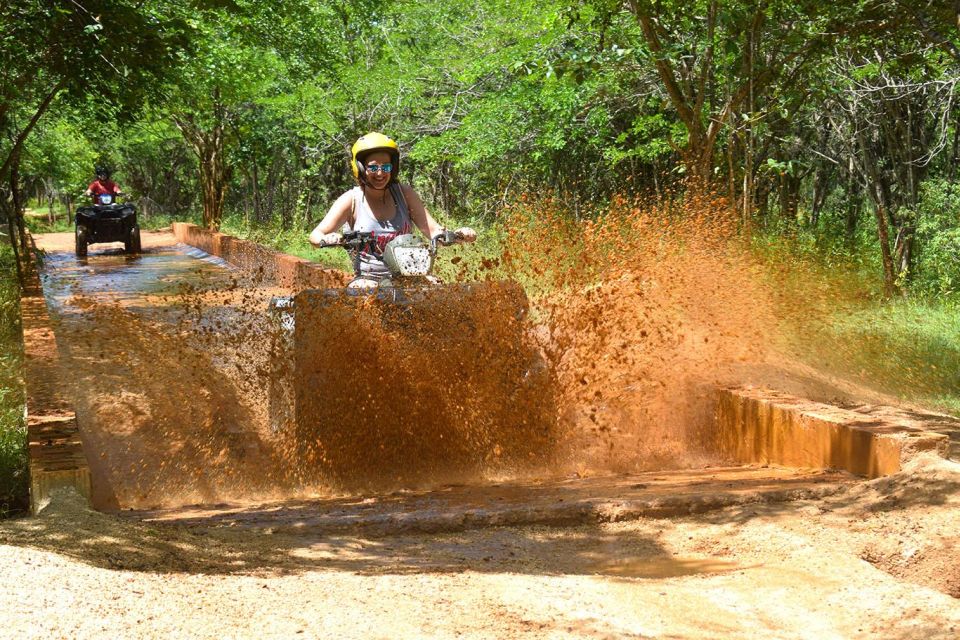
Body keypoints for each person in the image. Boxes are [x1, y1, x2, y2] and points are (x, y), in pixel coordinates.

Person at [309, 132, 476, 288]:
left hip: (409, 276)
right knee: (364, 291)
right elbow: (315, 236)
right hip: (368, 279)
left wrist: (458, 235)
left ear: (393, 168)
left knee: (437, 289)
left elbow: (433, 231)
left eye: (386, 167)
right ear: (360, 168)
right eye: (373, 168)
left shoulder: (405, 194)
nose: (380, 173)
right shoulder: (351, 200)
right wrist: (329, 238)